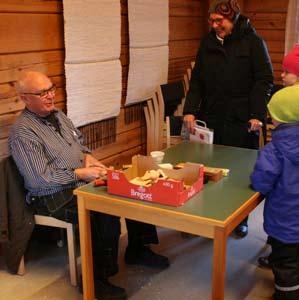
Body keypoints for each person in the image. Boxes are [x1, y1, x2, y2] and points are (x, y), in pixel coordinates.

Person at [8, 71, 169, 300]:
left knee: (129, 187)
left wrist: (90, 160)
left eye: (51, 89)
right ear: (25, 98)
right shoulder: (23, 132)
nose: (50, 95)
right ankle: (96, 280)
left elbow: (80, 145)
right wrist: (80, 173)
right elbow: (38, 179)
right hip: (50, 196)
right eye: (42, 92)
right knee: (103, 208)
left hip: (76, 179)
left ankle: (139, 248)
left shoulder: (58, 114)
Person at [182, 0, 274, 238]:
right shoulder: (207, 42)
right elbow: (197, 80)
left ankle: (239, 219)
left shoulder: (254, 42)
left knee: (238, 171)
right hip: (211, 116)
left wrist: (257, 113)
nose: (214, 25)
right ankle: (202, 215)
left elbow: (263, 80)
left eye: (219, 21)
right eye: (211, 21)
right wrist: (190, 109)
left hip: (241, 118)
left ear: (232, 19)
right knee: (205, 168)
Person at [250, 85, 299, 300]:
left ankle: (290, 296)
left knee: (286, 268)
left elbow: (261, 182)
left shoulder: (274, 150)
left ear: (278, 119)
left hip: (285, 226)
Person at [258, 43, 299, 269]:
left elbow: (263, 178)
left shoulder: (276, 148)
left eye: (287, 71)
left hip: (285, 218)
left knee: (286, 268)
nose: (282, 75)